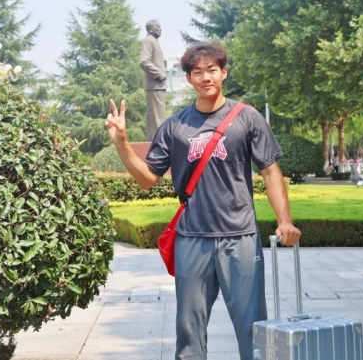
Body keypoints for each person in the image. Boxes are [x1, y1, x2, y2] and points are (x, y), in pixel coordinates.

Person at [105, 42, 301, 360]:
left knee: (254, 330)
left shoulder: (247, 118)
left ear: (224, 73)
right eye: (197, 72)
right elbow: (147, 179)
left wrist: (285, 221)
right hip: (192, 238)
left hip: (240, 237)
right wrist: (122, 143)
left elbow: (270, 172)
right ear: (188, 79)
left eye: (212, 70)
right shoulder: (175, 126)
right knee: (189, 334)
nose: (205, 77)